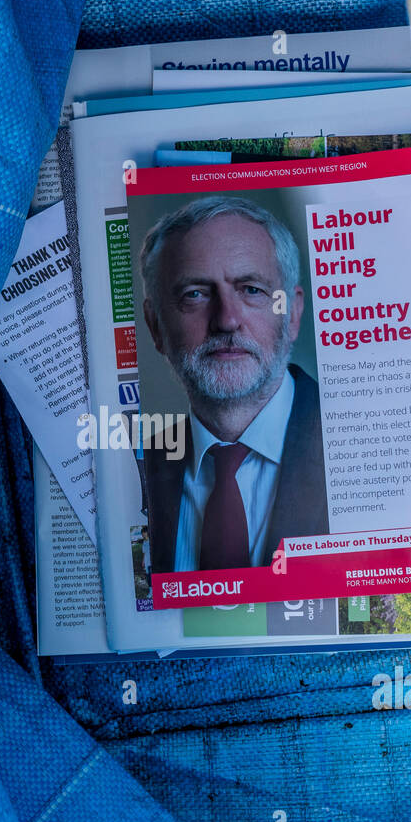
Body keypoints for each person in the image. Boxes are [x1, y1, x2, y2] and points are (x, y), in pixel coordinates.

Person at [140, 195, 329, 574]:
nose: (226, 320)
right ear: (156, 326)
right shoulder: (132, 471)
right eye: (195, 294)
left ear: (292, 314)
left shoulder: (360, 444)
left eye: (251, 290)